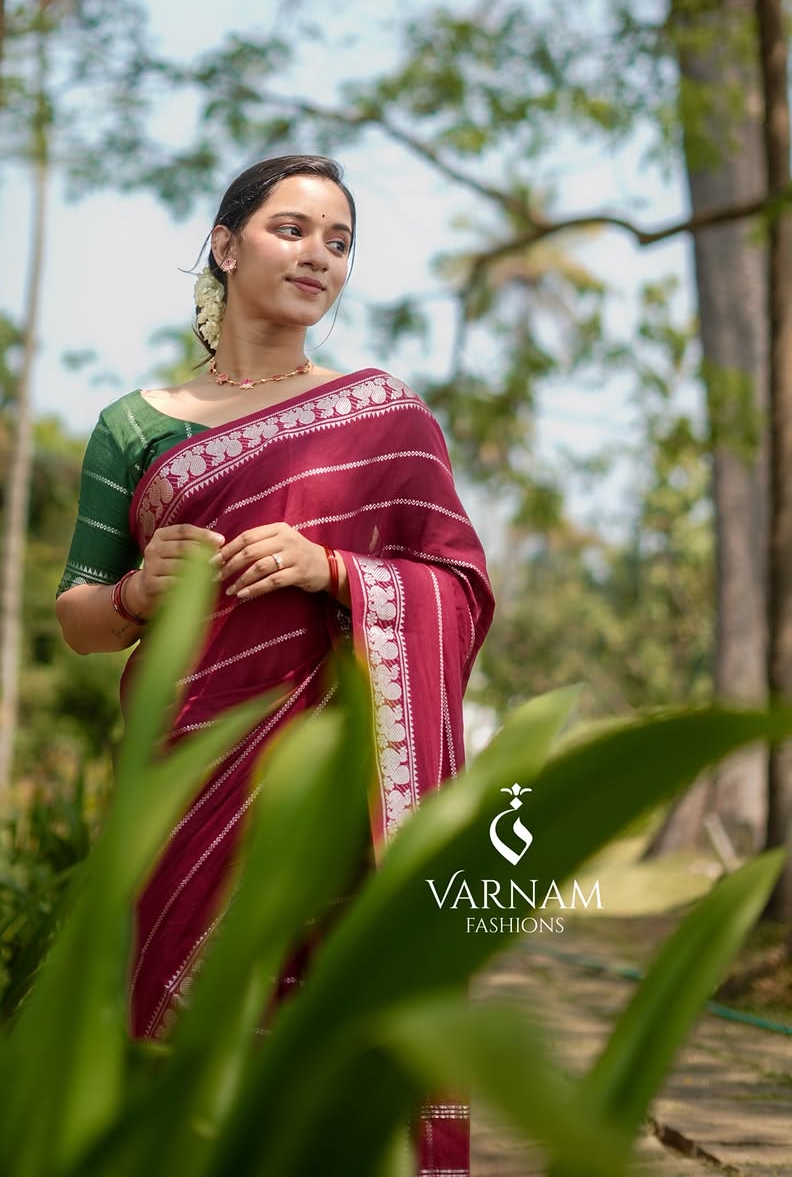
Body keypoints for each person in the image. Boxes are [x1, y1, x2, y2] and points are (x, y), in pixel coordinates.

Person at [55, 154, 494, 1175]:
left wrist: (334, 566)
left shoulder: (390, 417)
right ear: (225, 243)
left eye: (339, 241)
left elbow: (457, 585)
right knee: (171, 1027)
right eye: (292, 228)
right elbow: (78, 616)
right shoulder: (136, 425)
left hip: (334, 787)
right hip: (182, 771)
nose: (319, 256)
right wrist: (135, 594)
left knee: (338, 1032)